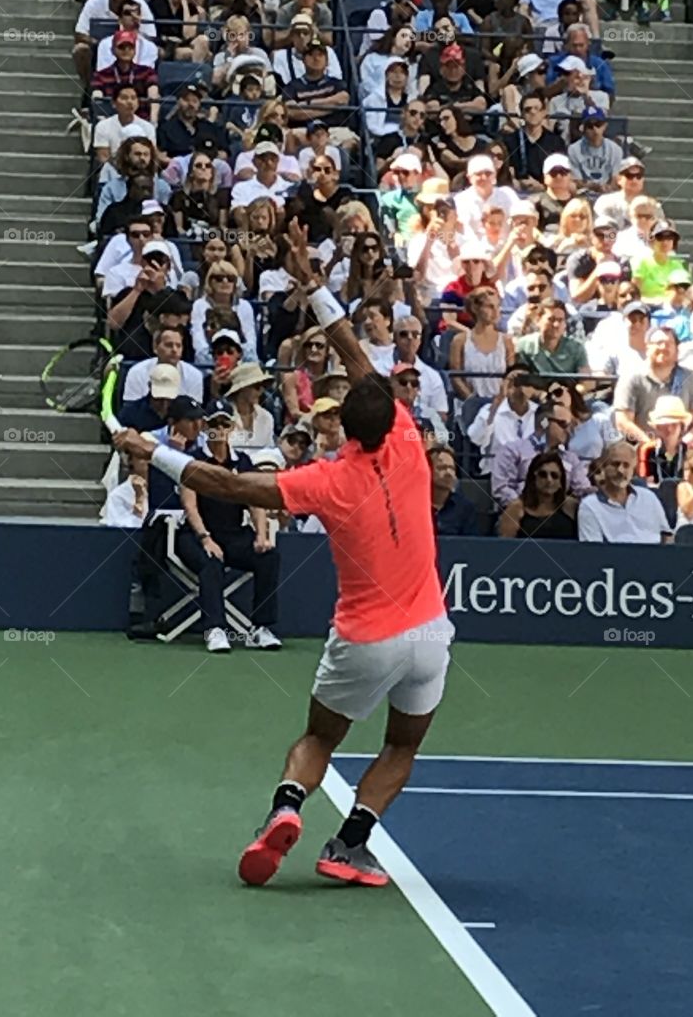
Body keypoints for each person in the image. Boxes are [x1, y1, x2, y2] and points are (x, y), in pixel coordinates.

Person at [115, 218, 455, 890]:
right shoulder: (410, 437)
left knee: (319, 739)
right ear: (389, 413)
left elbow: (228, 483)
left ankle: (285, 809)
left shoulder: (324, 480)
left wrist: (153, 450)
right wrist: (315, 287)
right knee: (402, 745)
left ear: (342, 426)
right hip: (429, 637)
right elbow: (357, 355)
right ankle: (349, 845)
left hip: (364, 639)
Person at [175, 398, 282, 653]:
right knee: (211, 561)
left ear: (231, 427)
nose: (219, 429)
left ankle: (260, 628)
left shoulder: (243, 462)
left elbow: (255, 502)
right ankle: (215, 629)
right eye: (213, 424)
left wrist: (262, 535)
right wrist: (205, 538)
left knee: (268, 557)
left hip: (233, 534)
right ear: (204, 427)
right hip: (195, 535)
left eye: (224, 423)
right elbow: (190, 505)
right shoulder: (193, 462)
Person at [577, 441, 671, 543]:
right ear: (603, 467)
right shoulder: (589, 506)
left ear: (633, 470)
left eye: (626, 465)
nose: (620, 470)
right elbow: (592, 552)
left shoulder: (649, 497)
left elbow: (666, 537)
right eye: (615, 464)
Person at [498, 449, 579, 539]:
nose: (549, 480)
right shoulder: (516, 508)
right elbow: (505, 545)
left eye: (554, 476)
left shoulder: (571, 507)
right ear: (533, 479)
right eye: (543, 474)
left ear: (561, 482)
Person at [429, 445, 479, 535]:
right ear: (427, 471)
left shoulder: (465, 508)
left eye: (452, 468)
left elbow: (471, 545)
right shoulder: (414, 506)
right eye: (442, 468)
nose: (448, 473)